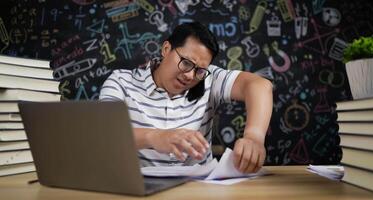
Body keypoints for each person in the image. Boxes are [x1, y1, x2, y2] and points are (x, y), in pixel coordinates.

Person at [99, 22, 273, 173]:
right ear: (166, 49)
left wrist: (254, 137)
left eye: (199, 70)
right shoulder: (121, 82)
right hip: (138, 189)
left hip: (199, 190)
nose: (190, 76)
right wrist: (155, 137)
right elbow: (105, 134)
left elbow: (260, 86)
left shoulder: (208, 79)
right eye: (187, 63)